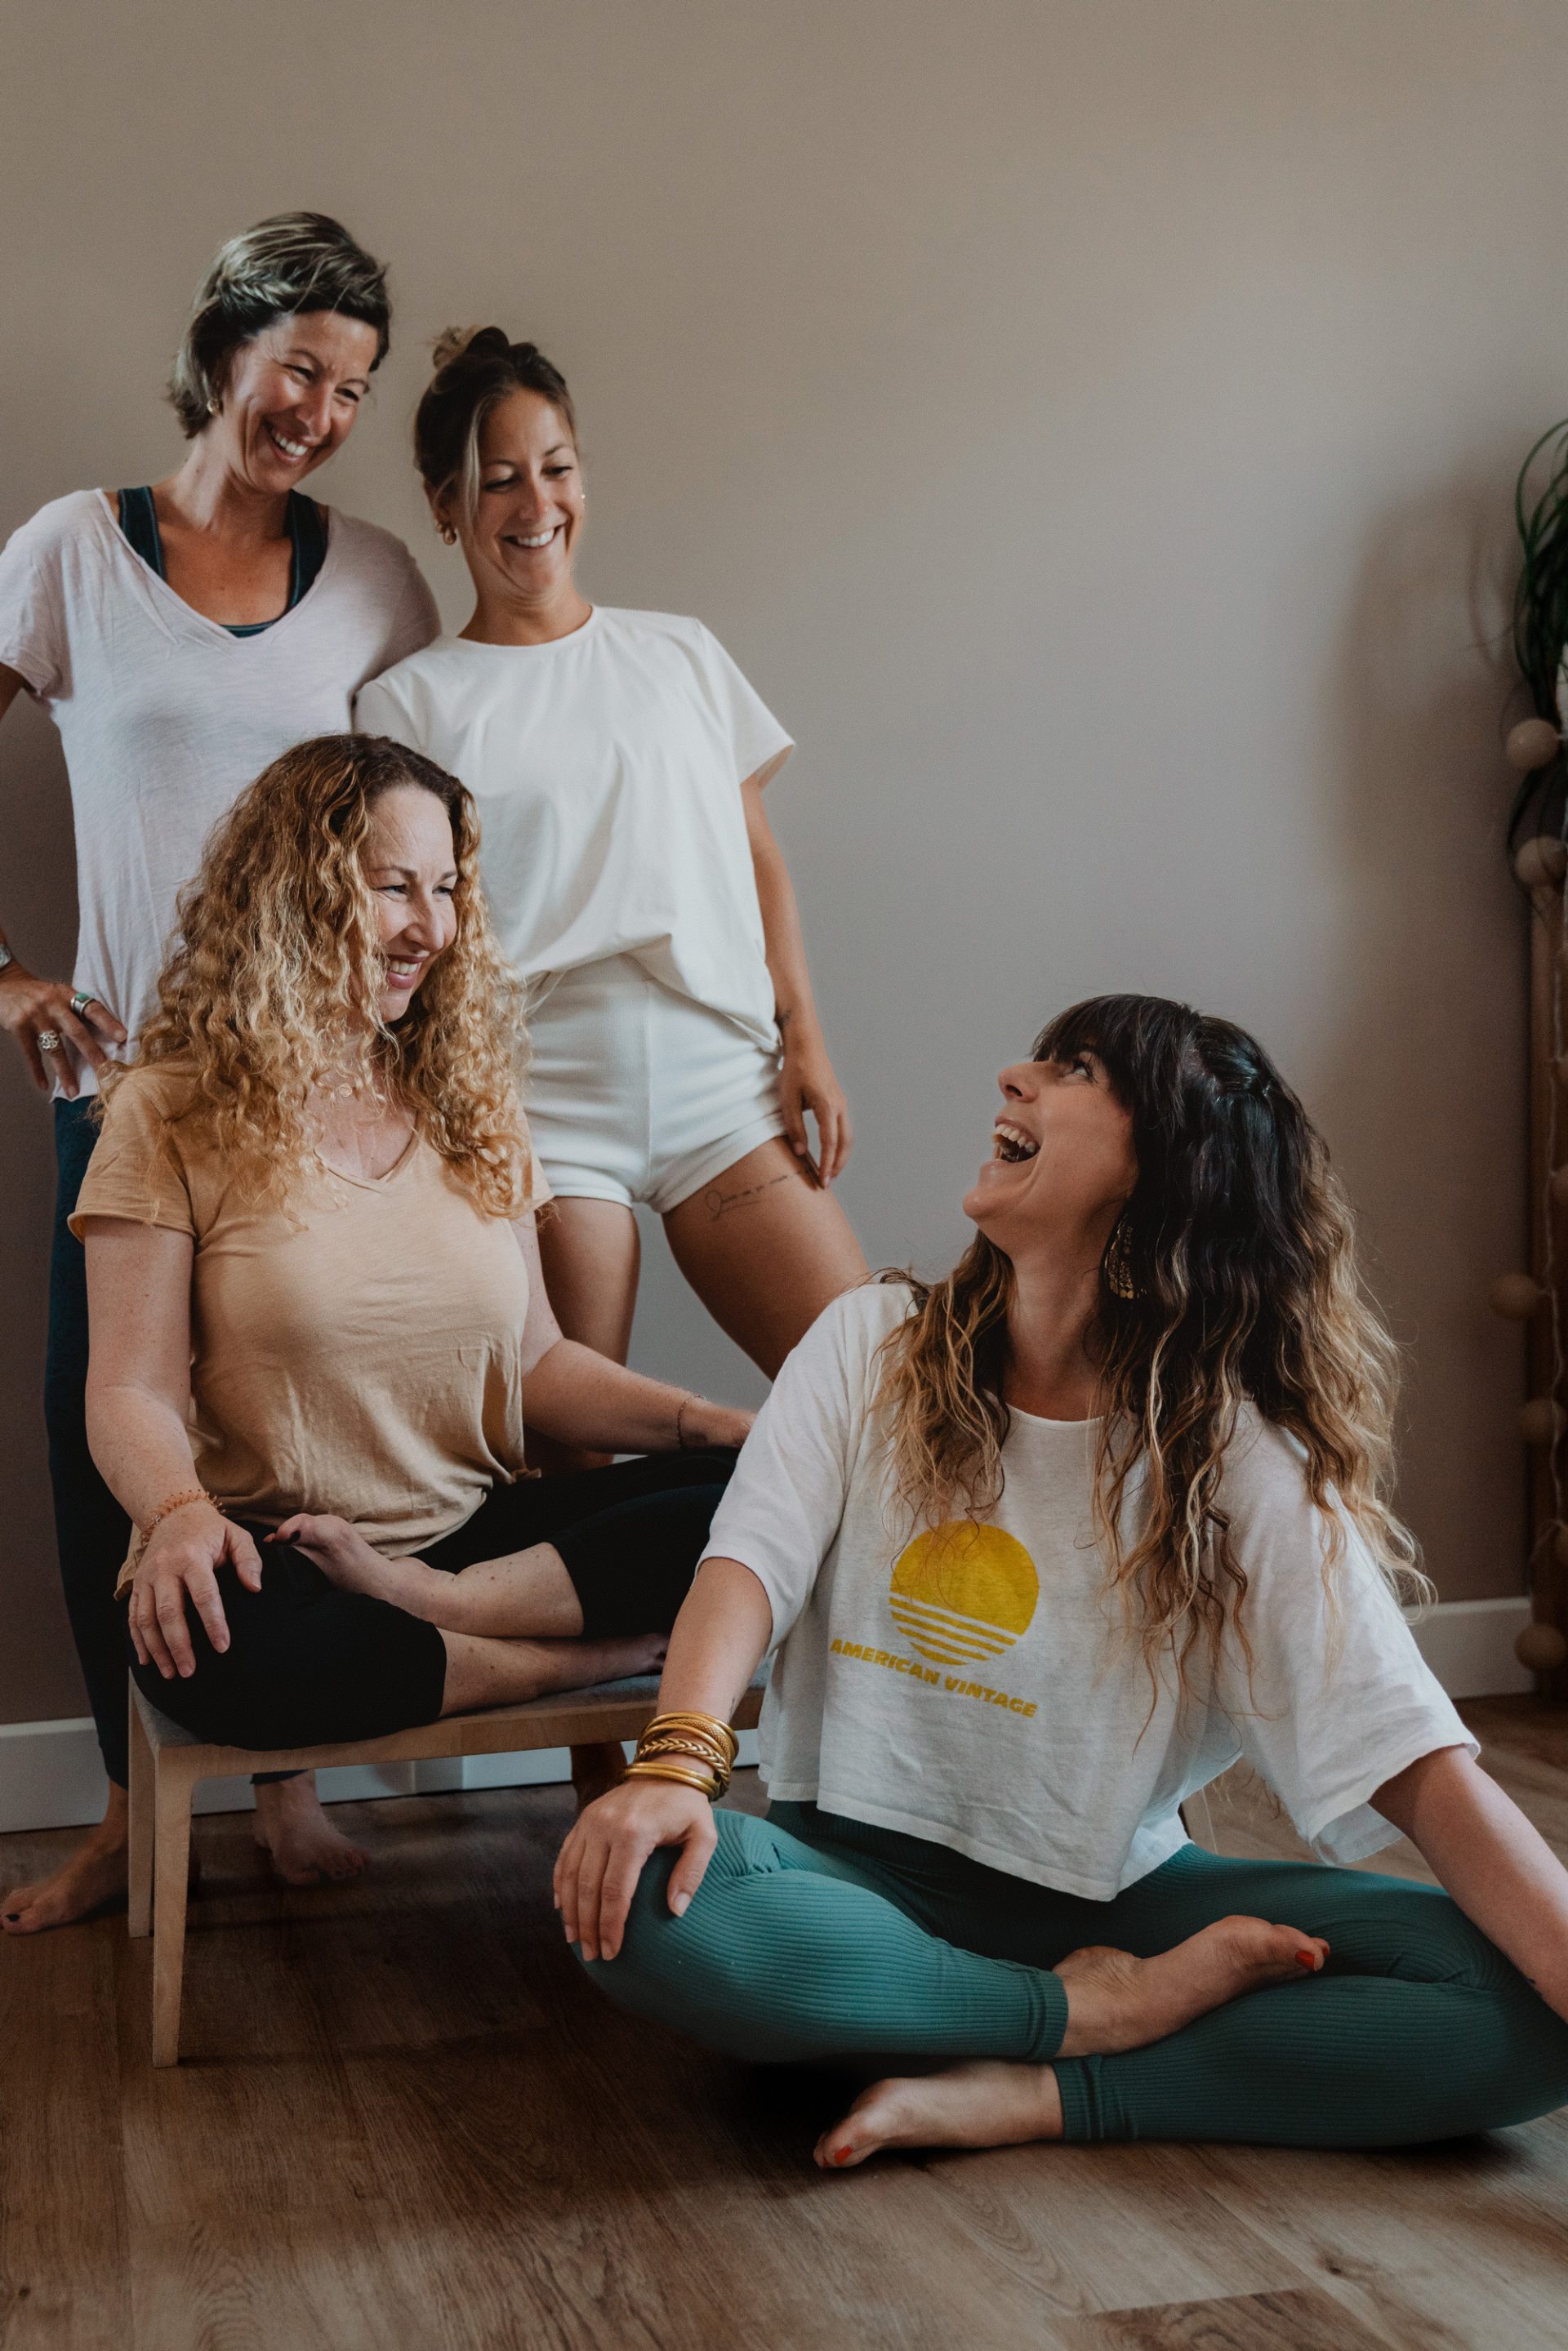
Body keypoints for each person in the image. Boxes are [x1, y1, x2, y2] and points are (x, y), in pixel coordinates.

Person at [555, 995, 1568, 2163]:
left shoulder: (1233, 1451)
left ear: (1170, 1168)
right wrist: (678, 1767)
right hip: (853, 1878)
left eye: (1075, 1068)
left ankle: (1034, 2090)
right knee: (637, 1896)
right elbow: (748, 1568)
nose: (1013, 1079)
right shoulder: (869, 1341)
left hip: (1121, 1906)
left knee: (1517, 2013)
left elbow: (1424, 1773)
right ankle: (1086, 2020)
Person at [0, 213, 440, 1929]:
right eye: (298, 370)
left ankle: (288, 1784)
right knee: (99, 1421)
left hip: (317, 1085)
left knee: (292, 1425)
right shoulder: (67, 555)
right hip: (122, 1083)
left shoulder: (381, 577)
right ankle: (125, 1810)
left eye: (350, 389)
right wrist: (15, 977)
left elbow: (436, 822)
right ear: (224, 352)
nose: (319, 410)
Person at [71, 737, 753, 1836]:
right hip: (280, 1555)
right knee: (213, 1648)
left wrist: (705, 1422)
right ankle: (555, 1667)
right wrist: (180, 1515)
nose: (429, 929)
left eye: (444, 890)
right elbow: (129, 1391)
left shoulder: (470, 1104)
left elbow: (538, 1368)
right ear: (299, 894)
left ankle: (447, 1612)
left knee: (759, 1490)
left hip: (479, 1544)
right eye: (394, 887)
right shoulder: (169, 1109)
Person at [354, 329, 867, 1401]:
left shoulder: (677, 652)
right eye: (498, 480)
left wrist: (806, 1038)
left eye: (556, 467)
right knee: (568, 1448)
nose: (536, 502)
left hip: (719, 1087)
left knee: (871, 1392)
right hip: (540, 1098)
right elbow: (401, 927)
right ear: (447, 505)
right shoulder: (409, 704)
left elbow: (758, 855)